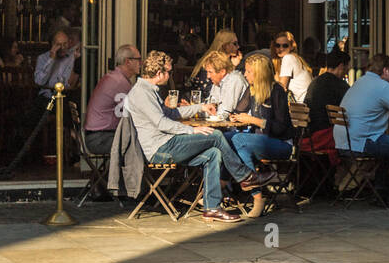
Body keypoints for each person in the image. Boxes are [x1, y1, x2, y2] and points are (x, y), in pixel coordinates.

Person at [124, 50, 274, 223]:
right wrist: (192, 130)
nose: (170, 75)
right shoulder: (142, 93)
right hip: (161, 149)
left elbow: (170, 113)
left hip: (166, 144)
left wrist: (200, 107)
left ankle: (212, 208)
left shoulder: (149, 90)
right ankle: (245, 177)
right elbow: (162, 123)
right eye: (169, 72)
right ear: (159, 74)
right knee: (216, 135)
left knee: (213, 154)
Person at [333, 53, 389, 207]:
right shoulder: (384, 87)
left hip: (344, 141)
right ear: (386, 70)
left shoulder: (360, 82)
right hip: (362, 142)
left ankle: (381, 192)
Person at [227, 55, 294, 211]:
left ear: (259, 73)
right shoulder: (252, 89)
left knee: (238, 140)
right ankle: (257, 197)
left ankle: (228, 187)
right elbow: (238, 110)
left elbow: (280, 128)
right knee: (224, 139)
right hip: (258, 141)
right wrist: (235, 117)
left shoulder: (277, 91)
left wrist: (253, 120)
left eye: (249, 72)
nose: (245, 75)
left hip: (281, 144)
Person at [84, 44, 142, 155]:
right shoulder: (119, 82)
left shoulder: (115, 77)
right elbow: (134, 112)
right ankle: (130, 173)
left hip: (98, 136)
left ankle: (124, 172)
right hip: (101, 139)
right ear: (128, 61)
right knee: (141, 143)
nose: (141, 63)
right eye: (138, 59)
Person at [185, 30, 241, 100]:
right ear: (225, 45)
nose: (238, 46)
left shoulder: (228, 60)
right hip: (202, 101)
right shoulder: (212, 62)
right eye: (235, 43)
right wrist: (234, 67)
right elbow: (214, 92)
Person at [200, 49, 250, 118]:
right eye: (207, 72)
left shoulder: (234, 80)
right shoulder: (217, 82)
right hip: (223, 125)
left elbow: (224, 113)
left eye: (210, 72)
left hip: (236, 127)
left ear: (222, 71)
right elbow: (210, 107)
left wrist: (200, 112)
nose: (208, 76)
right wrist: (193, 110)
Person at [34, 26, 79, 97]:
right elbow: (40, 81)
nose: (63, 48)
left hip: (66, 96)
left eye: (65, 44)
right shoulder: (42, 58)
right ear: (53, 44)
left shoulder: (72, 57)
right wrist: (51, 59)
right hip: (47, 97)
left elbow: (70, 84)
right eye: (59, 45)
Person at [271, 31, 313, 103]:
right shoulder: (296, 58)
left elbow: (282, 87)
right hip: (304, 102)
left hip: (301, 105)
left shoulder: (288, 58)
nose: (281, 48)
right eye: (278, 45)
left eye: (285, 46)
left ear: (291, 47)